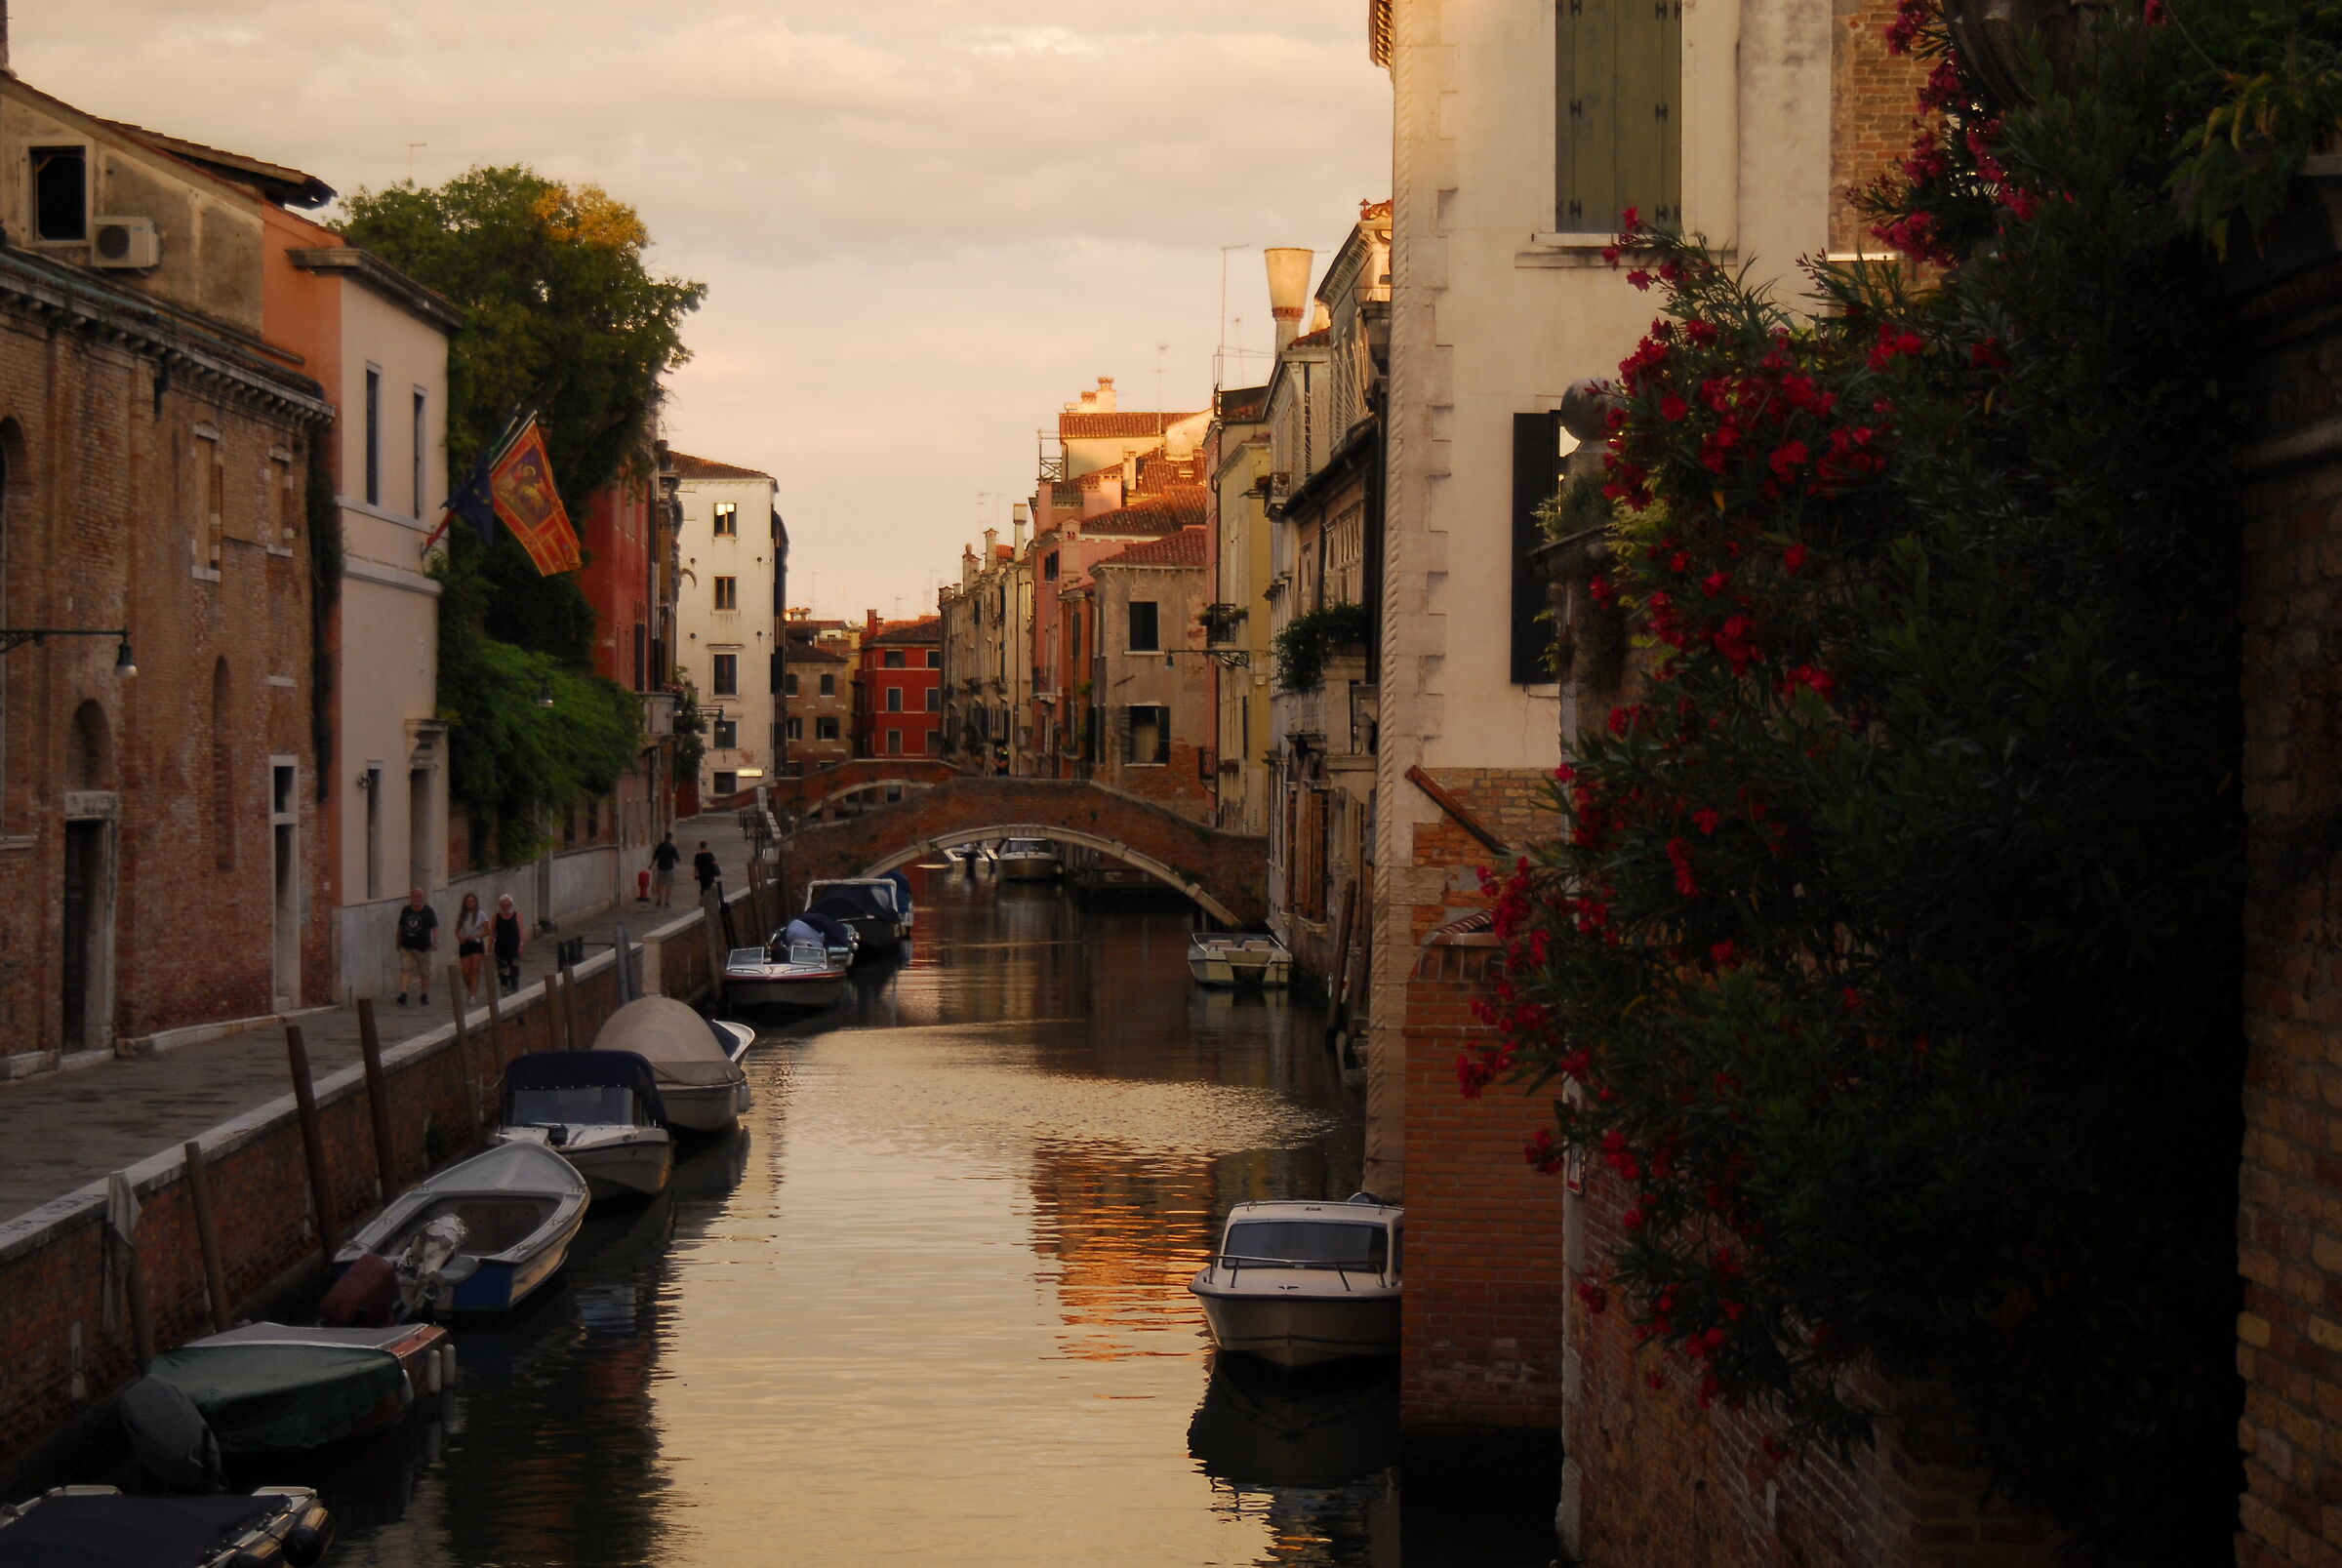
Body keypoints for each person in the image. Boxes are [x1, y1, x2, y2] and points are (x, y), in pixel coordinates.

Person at [394, 888, 438, 1006]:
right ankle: (404, 994)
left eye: (419, 896)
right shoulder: (406, 910)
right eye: (414, 896)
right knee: (405, 969)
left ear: (422, 897)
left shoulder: (428, 911)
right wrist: (398, 942)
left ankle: (424, 994)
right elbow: (401, 927)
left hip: (423, 947)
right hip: (407, 945)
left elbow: (434, 927)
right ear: (411, 897)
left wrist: (435, 942)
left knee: (424, 973)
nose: (417, 898)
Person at [453, 892, 487, 1004]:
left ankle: (473, 996)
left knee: (475, 970)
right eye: (468, 902)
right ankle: (471, 990)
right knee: (466, 973)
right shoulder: (462, 915)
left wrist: (477, 935)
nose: (470, 904)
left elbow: (488, 930)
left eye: (472, 901)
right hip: (465, 943)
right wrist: (460, 938)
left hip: (476, 943)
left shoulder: (481, 914)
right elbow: (457, 930)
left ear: (476, 902)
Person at [491, 894, 526, 997]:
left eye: (508, 905)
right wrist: (490, 947)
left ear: (511, 905)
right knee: (503, 974)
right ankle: (506, 994)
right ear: (500, 905)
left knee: (514, 973)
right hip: (500, 949)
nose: (506, 907)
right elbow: (492, 933)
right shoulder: (496, 917)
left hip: (514, 948)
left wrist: (521, 945)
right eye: (503, 905)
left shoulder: (518, 916)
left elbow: (521, 932)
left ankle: (515, 993)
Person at [650, 833, 681, 908]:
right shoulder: (672, 847)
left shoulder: (660, 846)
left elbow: (655, 856)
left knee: (660, 885)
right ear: (671, 838)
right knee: (669, 886)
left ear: (665, 838)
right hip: (669, 869)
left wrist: (651, 865)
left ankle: (660, 898)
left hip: (660, 868)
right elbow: (678, 859)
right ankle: (667, 902)